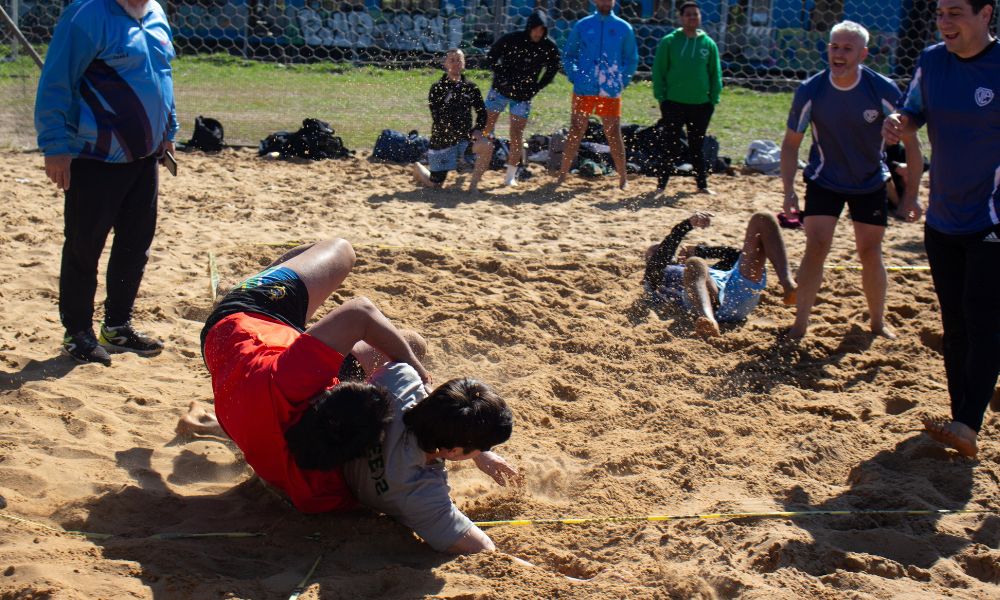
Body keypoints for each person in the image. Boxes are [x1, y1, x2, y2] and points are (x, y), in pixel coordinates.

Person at [179, 238, 519, 553]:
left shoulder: (298, 383)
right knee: (405, 342)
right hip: (252, 400)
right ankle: (305, 341)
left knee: (341, 251)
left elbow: (361, 315)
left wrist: (417, 369)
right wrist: (473, 451)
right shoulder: (324, 493)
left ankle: (259, 288)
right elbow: (474, 543)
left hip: (245, 328)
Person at [883, 0, 999, 458]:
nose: (945, 22)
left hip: (993, 216)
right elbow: (915, 111)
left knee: (980, 315)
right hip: (944, 215)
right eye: (939, 14)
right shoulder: (932, 61)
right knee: (955, 324)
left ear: (986, 13)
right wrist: (900, 123)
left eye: (956, 12)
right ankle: (961, 418)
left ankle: (968, 425)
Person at [35, 0, 178, 366]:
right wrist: (55, 146)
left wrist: (168, 131)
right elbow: (56, 82)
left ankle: (117, 327)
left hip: (145, 157)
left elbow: (162, 75)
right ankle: (77, 333)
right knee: (85, 246)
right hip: (94, 157)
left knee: (135, 245)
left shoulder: (156, 12)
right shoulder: (87, 16)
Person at [780, 21, 922, 340]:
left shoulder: (882, 89)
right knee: (816, 246)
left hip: (870, 181)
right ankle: (800, 324)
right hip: (824, 178)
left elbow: (914, 145)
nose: (839, 54)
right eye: (834, 47)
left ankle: (877, 322)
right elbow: (790, 145)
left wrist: (912, 195)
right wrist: (788, 191)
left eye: (847, 48)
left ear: (863, 54)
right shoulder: (811, 90)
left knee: (870, 251)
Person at [644, 212, 797, 337]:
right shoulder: (654, 277)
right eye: (653, 251)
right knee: (695, 263)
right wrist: (686, 226)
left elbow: (736, 255)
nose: (659, 248)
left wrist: (701, 251)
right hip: (709, 304)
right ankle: (707, 320)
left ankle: (788, 284)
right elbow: (663, 253)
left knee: (762, 219)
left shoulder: (708, 271)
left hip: (737, 291)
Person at [556, 0, 638, 190]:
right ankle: (562, 175)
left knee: (613, 132)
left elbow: (631, 58)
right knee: (576, 129)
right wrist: (575, 76)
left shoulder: (623, 27)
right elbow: (569, 55)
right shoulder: (583, 25)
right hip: (584, 88)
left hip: (609, 90)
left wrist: (620, 81)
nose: (605, 2)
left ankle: (622, 178)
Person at [475, 10, 560, 188]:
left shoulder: (548, 47)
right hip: (500, 91)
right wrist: (501, 74)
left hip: (523, 97)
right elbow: (490, 57)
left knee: (517, 134)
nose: (538, 33)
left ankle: (510, 176)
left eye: (541, 30)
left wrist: (537, 87)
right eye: (535, 29)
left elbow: (552, 70)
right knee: (486, 128)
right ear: (529, 28)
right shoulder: (511, 39)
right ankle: (476, 164)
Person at [651, 1, 723, 195]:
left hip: (701, 104)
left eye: (696, 14)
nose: (693, 17)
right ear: (681, 18)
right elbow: (659, 70)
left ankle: (702, 186)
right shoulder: (669, 41)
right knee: (670, 144)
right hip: (673, 102)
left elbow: (715, 73)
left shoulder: (708, 44)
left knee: (696, 146)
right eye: (689, 14)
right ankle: (661, 186)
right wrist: (661, 97)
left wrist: (713, 99)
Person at [412, 49, 492, 193]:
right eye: (452, 60)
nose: (456, 63)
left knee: (487, 146)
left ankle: (473, 186)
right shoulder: (437, 88)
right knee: (435, 185)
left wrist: (478, 129)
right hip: (443, 141)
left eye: (459, 60)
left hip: (464, 140)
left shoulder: (471, 87)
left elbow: (482, 113)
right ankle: (419, 168)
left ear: (464, 64)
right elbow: (437, 117)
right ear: (445, 64)